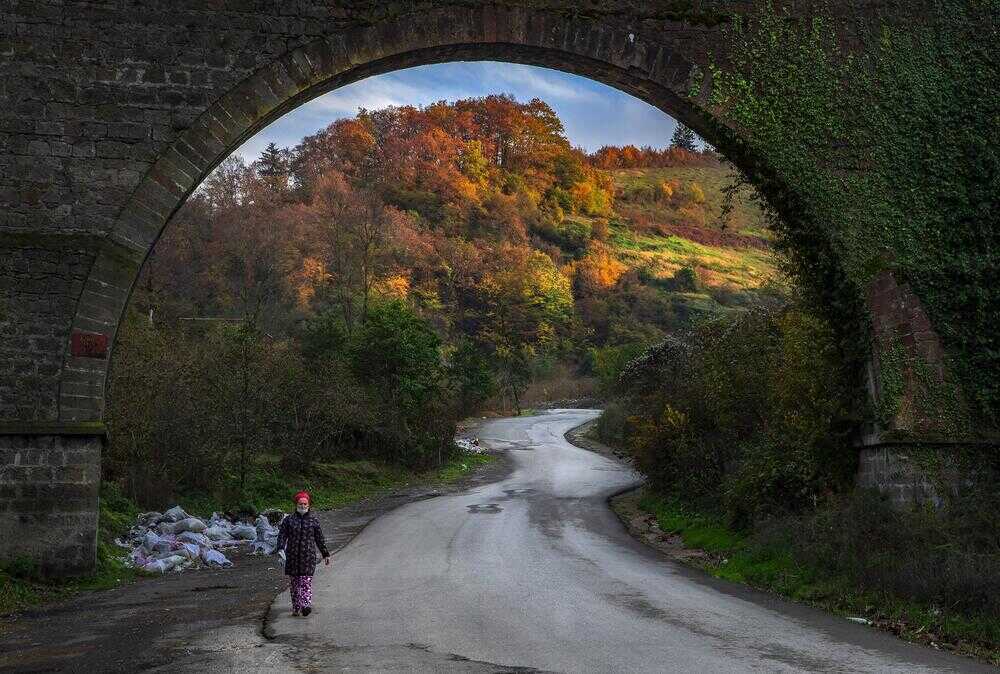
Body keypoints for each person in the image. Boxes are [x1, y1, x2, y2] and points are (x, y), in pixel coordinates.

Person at [275, 490, 330, 616]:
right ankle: (296, 606)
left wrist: (325, 554)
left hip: (308, 557)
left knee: (305, 581)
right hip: (293, 557)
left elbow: (319, 539)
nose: (303, 506)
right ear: (296, 504)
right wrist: (280, 548)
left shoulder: (313, 521)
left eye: (305, 504)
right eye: (301, 504)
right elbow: (282, 535)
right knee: (295, 584)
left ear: (309, 505)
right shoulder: (289, 520)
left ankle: (305, 605)